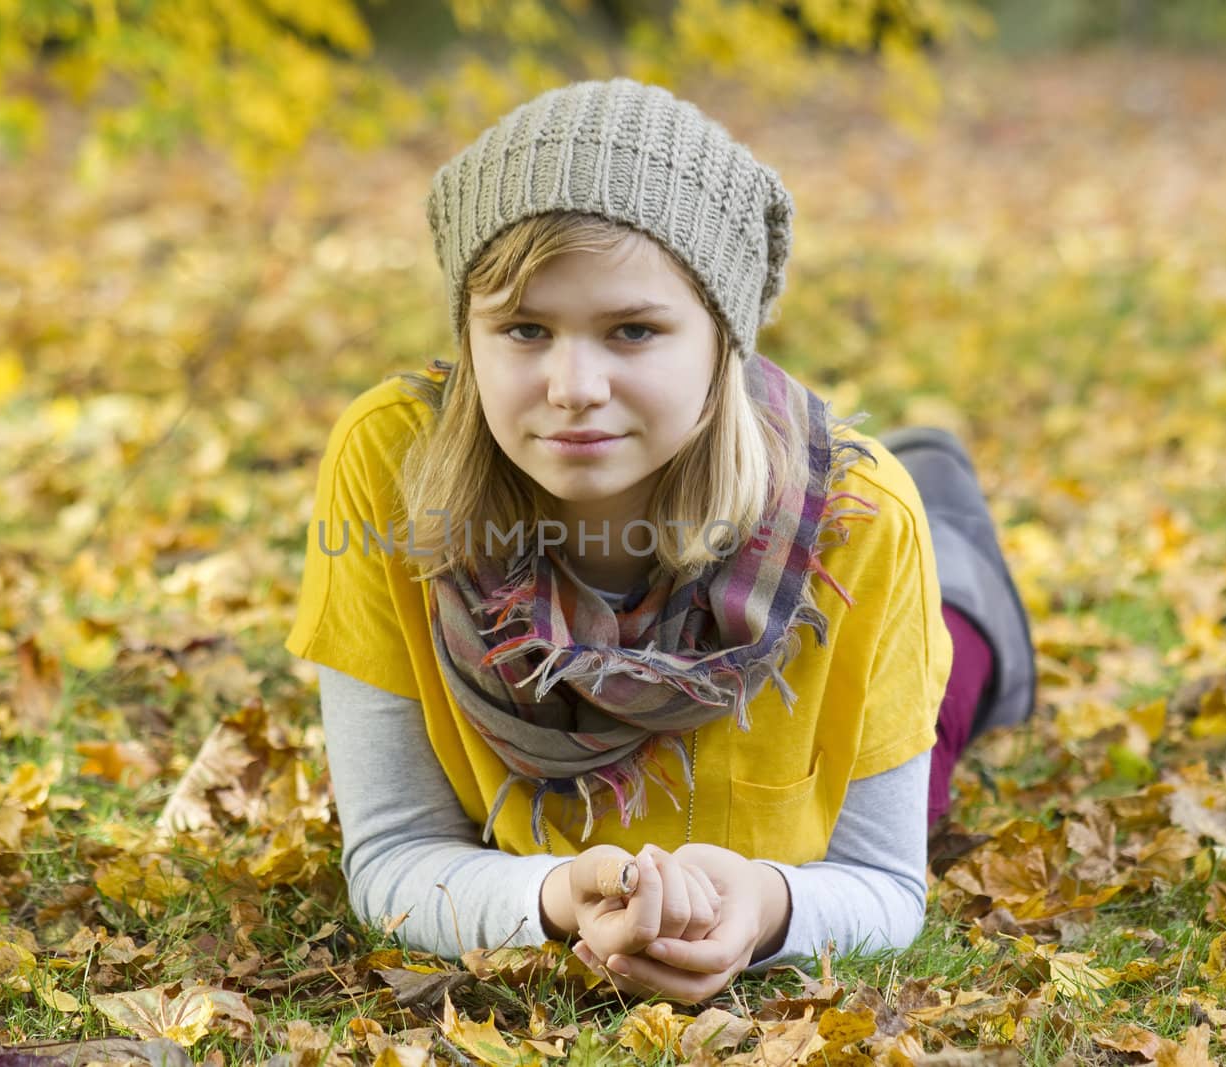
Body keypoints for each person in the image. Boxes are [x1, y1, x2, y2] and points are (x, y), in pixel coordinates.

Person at [282, 78, 1034, 1004]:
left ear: (724, 341)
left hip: (823, 570)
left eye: (633, 330)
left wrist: (767, 905)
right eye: (524, 328)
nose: (572, 387)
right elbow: (394, 853)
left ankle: (960, 547)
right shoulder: (393, 464)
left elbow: (885, 884)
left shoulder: (865, 518)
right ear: (467, 334)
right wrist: (555, 897)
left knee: (952, 680)